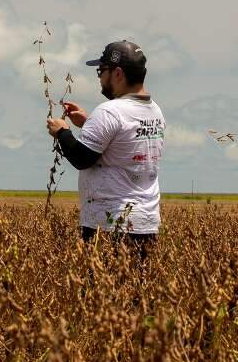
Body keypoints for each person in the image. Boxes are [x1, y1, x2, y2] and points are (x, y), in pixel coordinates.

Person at [46, 40, 165, 255]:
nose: (100, 77)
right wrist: (89, 123)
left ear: (117, 73)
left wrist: (62, 132)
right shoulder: (154, 110)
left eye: (101, 71)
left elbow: (82, 158)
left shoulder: (109, 111)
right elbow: (125, 140)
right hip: (146, 222)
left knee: (103, 288)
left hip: (111, 223)